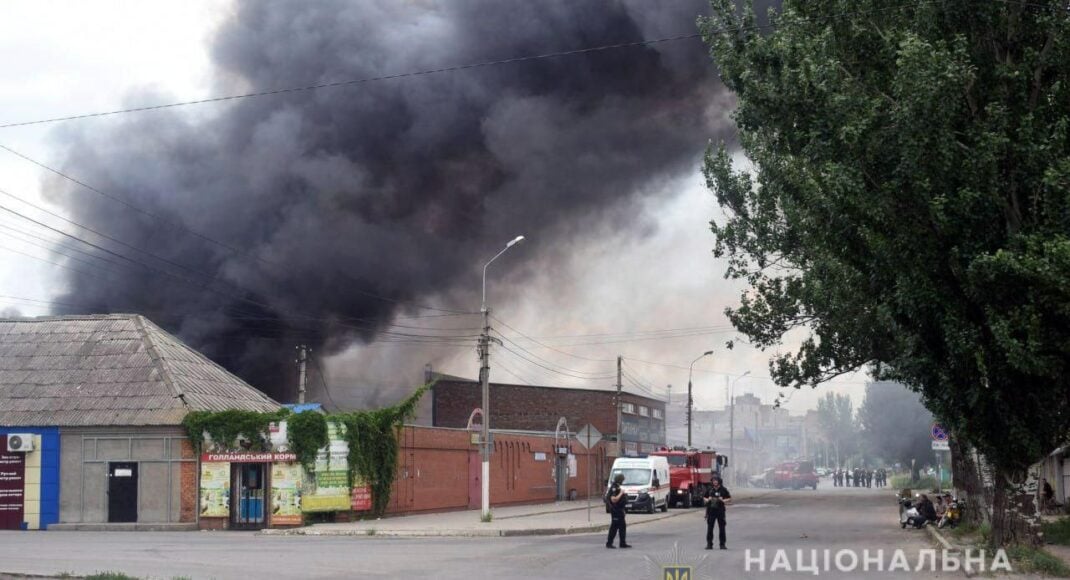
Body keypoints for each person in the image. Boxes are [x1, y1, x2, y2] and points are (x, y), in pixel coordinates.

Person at [704, 476, 733, 550]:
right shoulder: (710, 489)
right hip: (711, 511)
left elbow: (729, 498)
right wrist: (708, 500)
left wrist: (723, 500)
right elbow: (704, 497)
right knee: (710, 528)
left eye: (716, 480)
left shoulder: (723, 490)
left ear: (719, 481)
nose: (715, 482)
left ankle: (722, 544)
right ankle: (709, 544)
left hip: (720, 511)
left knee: (722, 528)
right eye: (713, 481)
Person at [606, 474, 631, 549]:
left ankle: (622, 543)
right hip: (615, 510)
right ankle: (609, 543)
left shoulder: (617, 486)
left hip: (619, 510)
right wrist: (621, 493)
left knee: (622, 527)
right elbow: (613, 499)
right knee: (614, 527)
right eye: (622, 480)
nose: (623, 481)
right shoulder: (614, 488)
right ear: (619, 480)